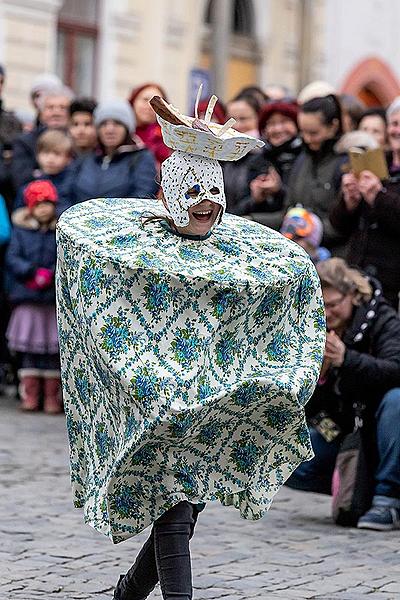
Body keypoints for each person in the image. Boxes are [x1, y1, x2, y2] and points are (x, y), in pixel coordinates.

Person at [56, 91, 325, 600]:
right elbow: (103, 299)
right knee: (175, 512)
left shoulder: (235, 255)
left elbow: (274, 289)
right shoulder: (135, 251)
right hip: (155, 398)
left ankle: (130, 591)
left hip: (211, 400)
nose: (207, 202)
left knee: (182, 508)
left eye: (215, 192)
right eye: (194, 191)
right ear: (170, 193)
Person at [287, 258, 400, 530]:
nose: (327, 313)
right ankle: (360, 487)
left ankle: (388, 497)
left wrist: (346, 359)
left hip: (382, 421)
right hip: (347, 429)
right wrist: (321, 378)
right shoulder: (317, 330)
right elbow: (313, 413)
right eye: (321, 305)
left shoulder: (381, 318)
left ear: (352, 295)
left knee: (397, 400)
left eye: (334, 304)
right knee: (291, 458)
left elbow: (395, 369)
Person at [6, 180, 61, 414]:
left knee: (52, 351)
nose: (44, 209)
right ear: (30, 207)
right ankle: (30, 394)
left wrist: (51, 272)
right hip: (27, 298)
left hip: (50, 301)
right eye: (39, 204)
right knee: (29, 351)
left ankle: (51, 397)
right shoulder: (21, 232)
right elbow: (12, 257)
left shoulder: (59, 232)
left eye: (48, 203)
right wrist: (30, 272)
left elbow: (62, 256)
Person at [330, 156, 400, 310]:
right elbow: (339, 226)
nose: (395, 130)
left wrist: (378, 195)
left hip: (390, 286)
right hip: (356, 274)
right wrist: (350, 200)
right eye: (393, 128)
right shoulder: (378, 163)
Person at [285, 94, 347, 249]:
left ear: (333, 126)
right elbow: (288, 209)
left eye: (313, 133)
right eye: (303, 132)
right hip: (297, 246)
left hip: (331, 253)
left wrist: (311, 234)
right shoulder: (302, 159)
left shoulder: (344, 163)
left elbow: (344, 224)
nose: (307, 139)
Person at [69, 99, 158, 204]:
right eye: (103, 124)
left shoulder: (141, 158)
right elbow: (67, 193)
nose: (109, 130)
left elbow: (144, 197)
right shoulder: (85, 159)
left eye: (117, 123)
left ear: (127, 128)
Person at [231, 101, 302, 227]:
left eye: (284, 121)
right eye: (271, 123)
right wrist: (256, 199)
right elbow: (236, 210)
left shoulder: (304, 157)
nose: (278, 129)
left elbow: (303, 206)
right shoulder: (256, 161)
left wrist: (279, 191)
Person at [11, 86, 74, 189]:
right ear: (41, 113)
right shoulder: (24, 142)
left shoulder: (76, 142)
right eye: (50, 108)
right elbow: (20, 179)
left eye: (63, 108)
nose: (56, 113)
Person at [13, 130, 74, 215]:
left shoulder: (74, 183)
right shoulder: (28, 186)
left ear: (68, 158)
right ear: (37, 156)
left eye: (57, 154)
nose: (50, 159)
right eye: (46, 153)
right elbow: (19, 217)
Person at [222, 94, 263, 210]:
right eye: (231, 120)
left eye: (244, 119)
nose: (237, 125)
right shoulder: (220, 154)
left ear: (258, 119)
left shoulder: (265, 154)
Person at [129, 83, 171, 166]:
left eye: (156, 103)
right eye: (145, 99)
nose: (149, 106)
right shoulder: (122, 134)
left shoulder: (170, 138)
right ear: (133, 101)